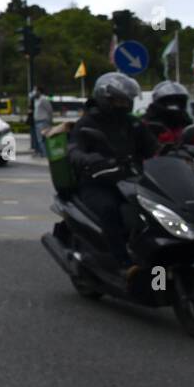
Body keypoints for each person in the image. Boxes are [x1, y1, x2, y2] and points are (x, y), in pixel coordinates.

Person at [67, 73, 159, 267]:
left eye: (126, 101)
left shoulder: (133, 123)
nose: (123, 105)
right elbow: (74, 150)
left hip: (131, 181)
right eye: (118, 100)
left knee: (155, 211)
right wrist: (90, 159)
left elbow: (153, 147)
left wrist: (176, 152)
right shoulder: (87, 123)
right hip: (98, 182)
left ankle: (152, 260)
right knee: (110, 210)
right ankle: (123, 263)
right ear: (104, 98)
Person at [143, 80, 194, 151]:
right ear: (158, 102)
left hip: (184, 160)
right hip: (155, 161)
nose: (174, 105)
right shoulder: (146, 124)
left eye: (178, 101)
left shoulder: (186, 123)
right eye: (169, 101)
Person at [32, 86, 53, 157]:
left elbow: (49, 110)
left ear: (39, 91)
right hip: (37, 122)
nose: (33, 92)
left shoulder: (43, 99)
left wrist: (50, 121)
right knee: (39, 140)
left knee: (43, 139)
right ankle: (43, 153)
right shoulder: (36, 100)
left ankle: (46, 154)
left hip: (43, 122)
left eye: (35, 90)